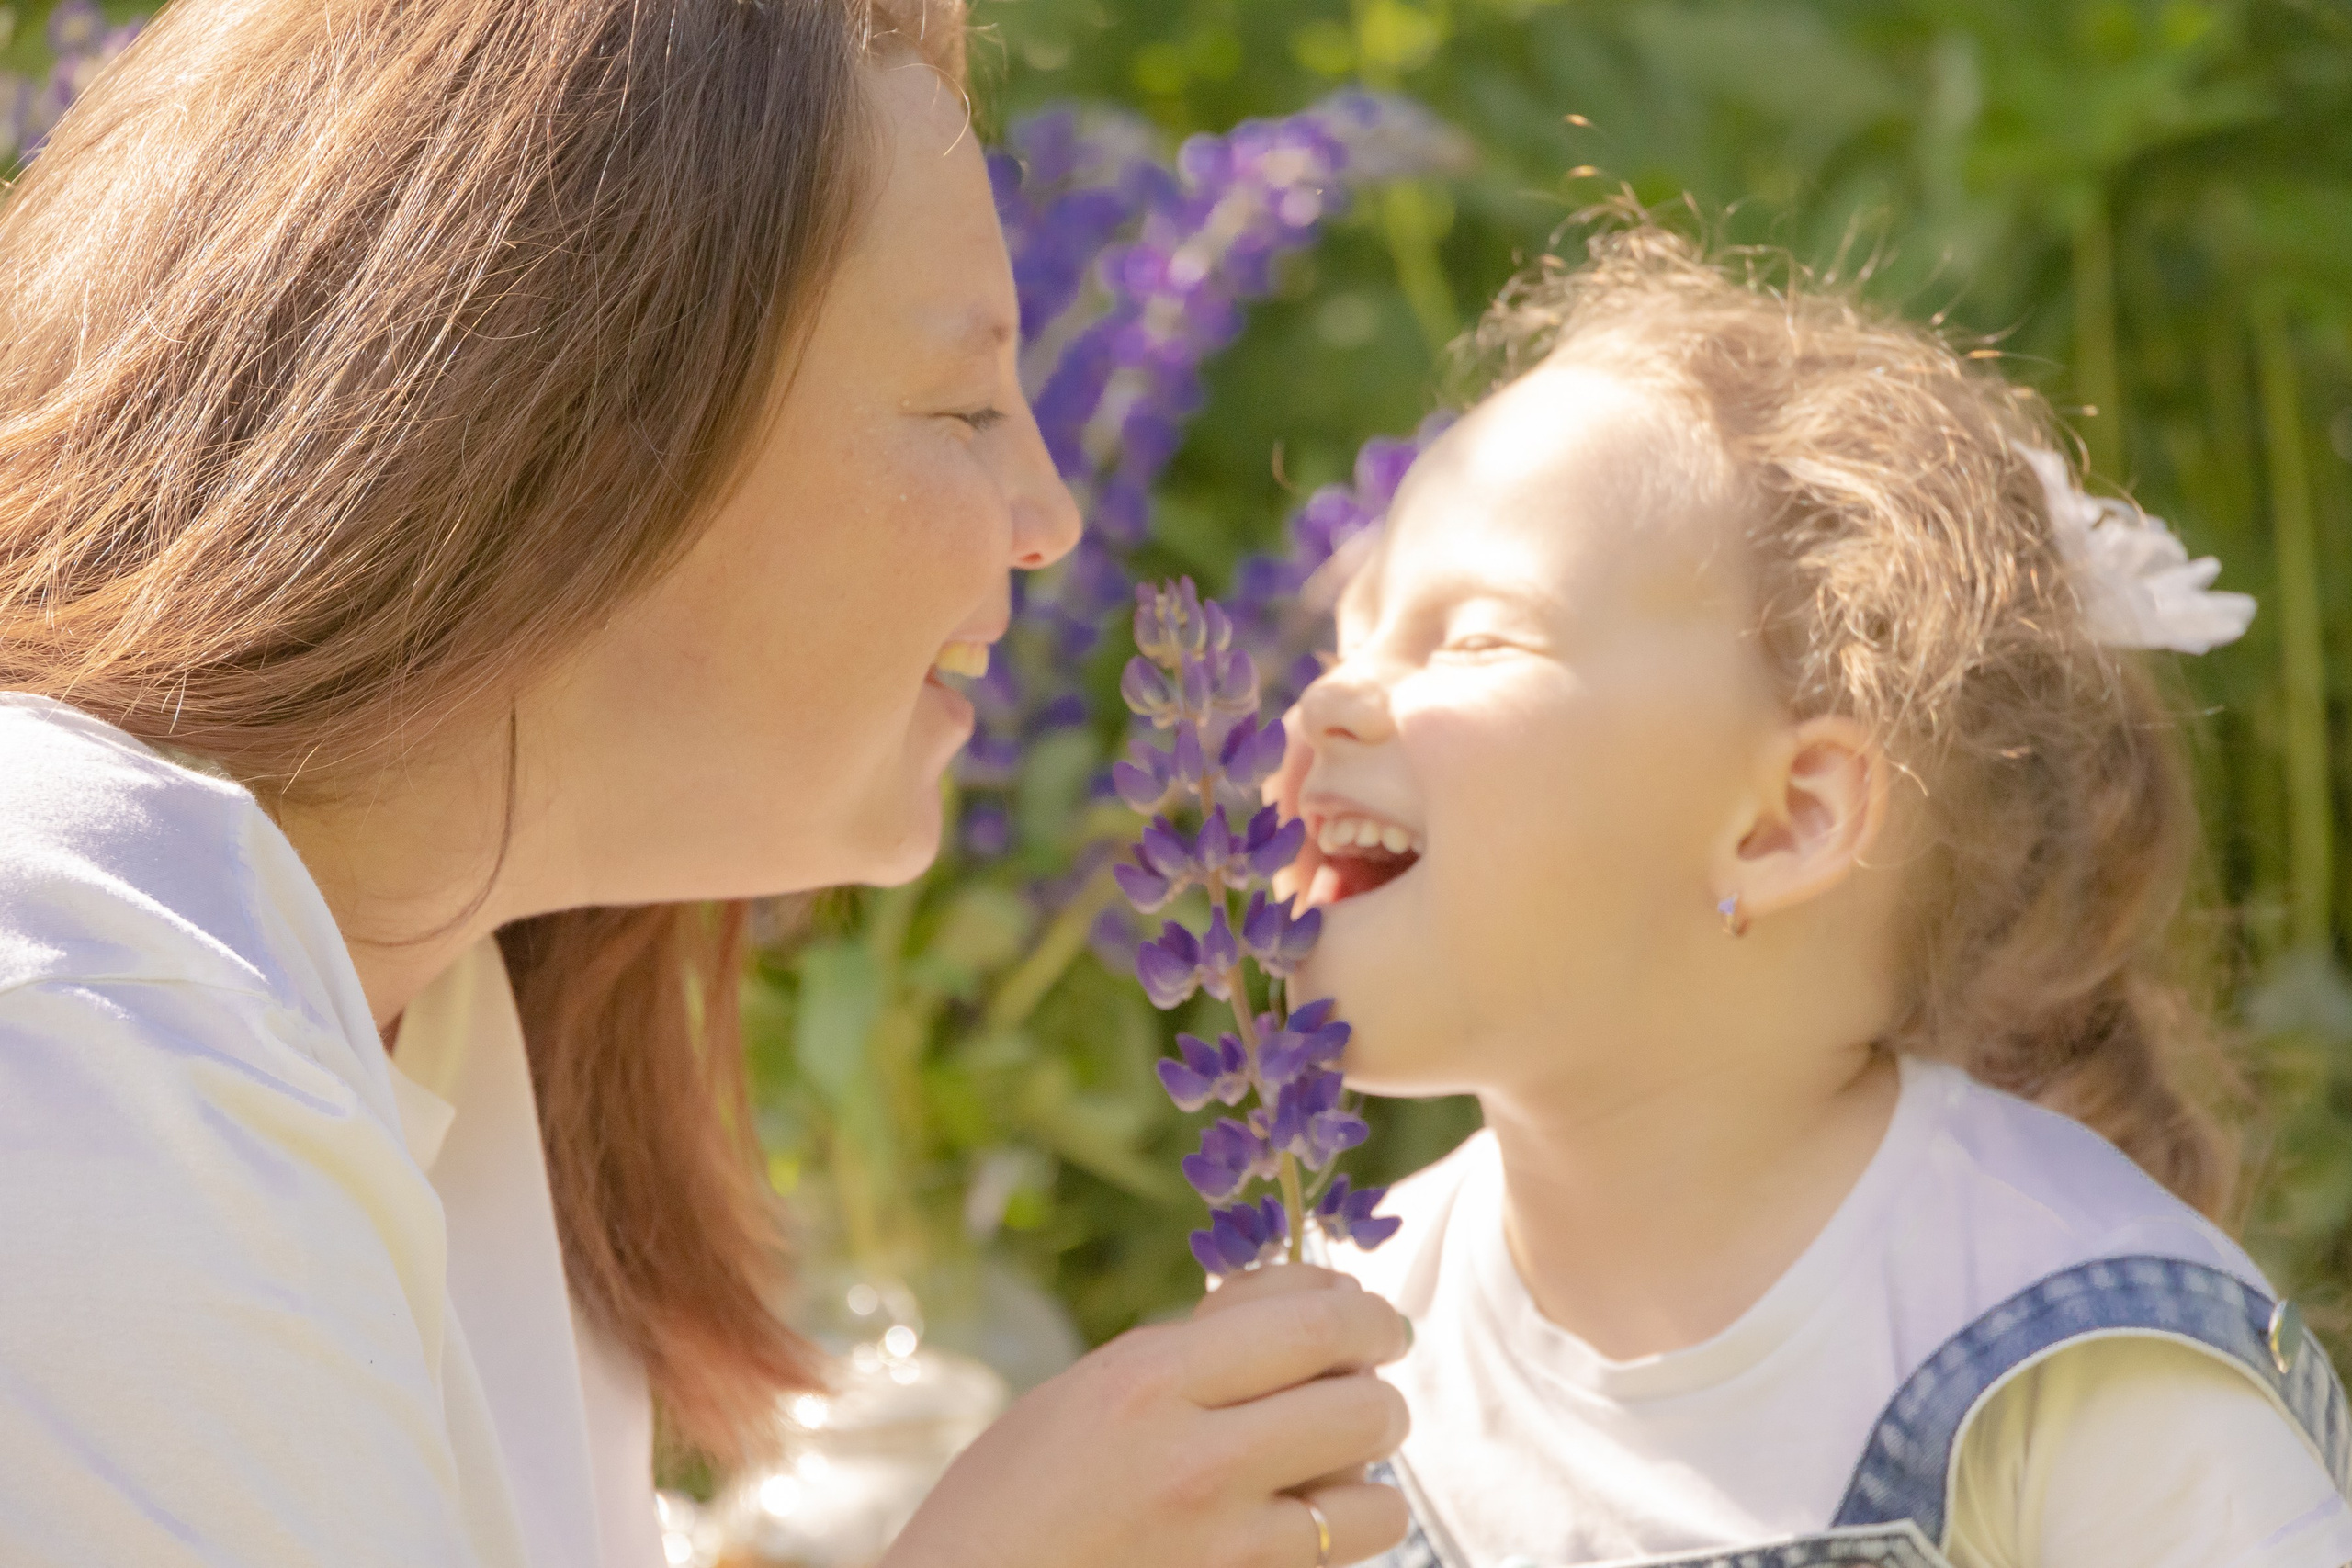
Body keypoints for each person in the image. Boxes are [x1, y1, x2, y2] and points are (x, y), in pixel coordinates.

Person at [0, 3, 1410, 1566]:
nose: (1049, 518)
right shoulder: (79, 1046)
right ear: (585, 432)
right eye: (959, 408)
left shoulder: (418, 1014)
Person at [1269, 216, 2352, 1568]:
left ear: (1786, 821)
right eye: (1343, 636)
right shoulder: (1330, 1321)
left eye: (1475, 636)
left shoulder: (2065, 1340)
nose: (1326, 700)